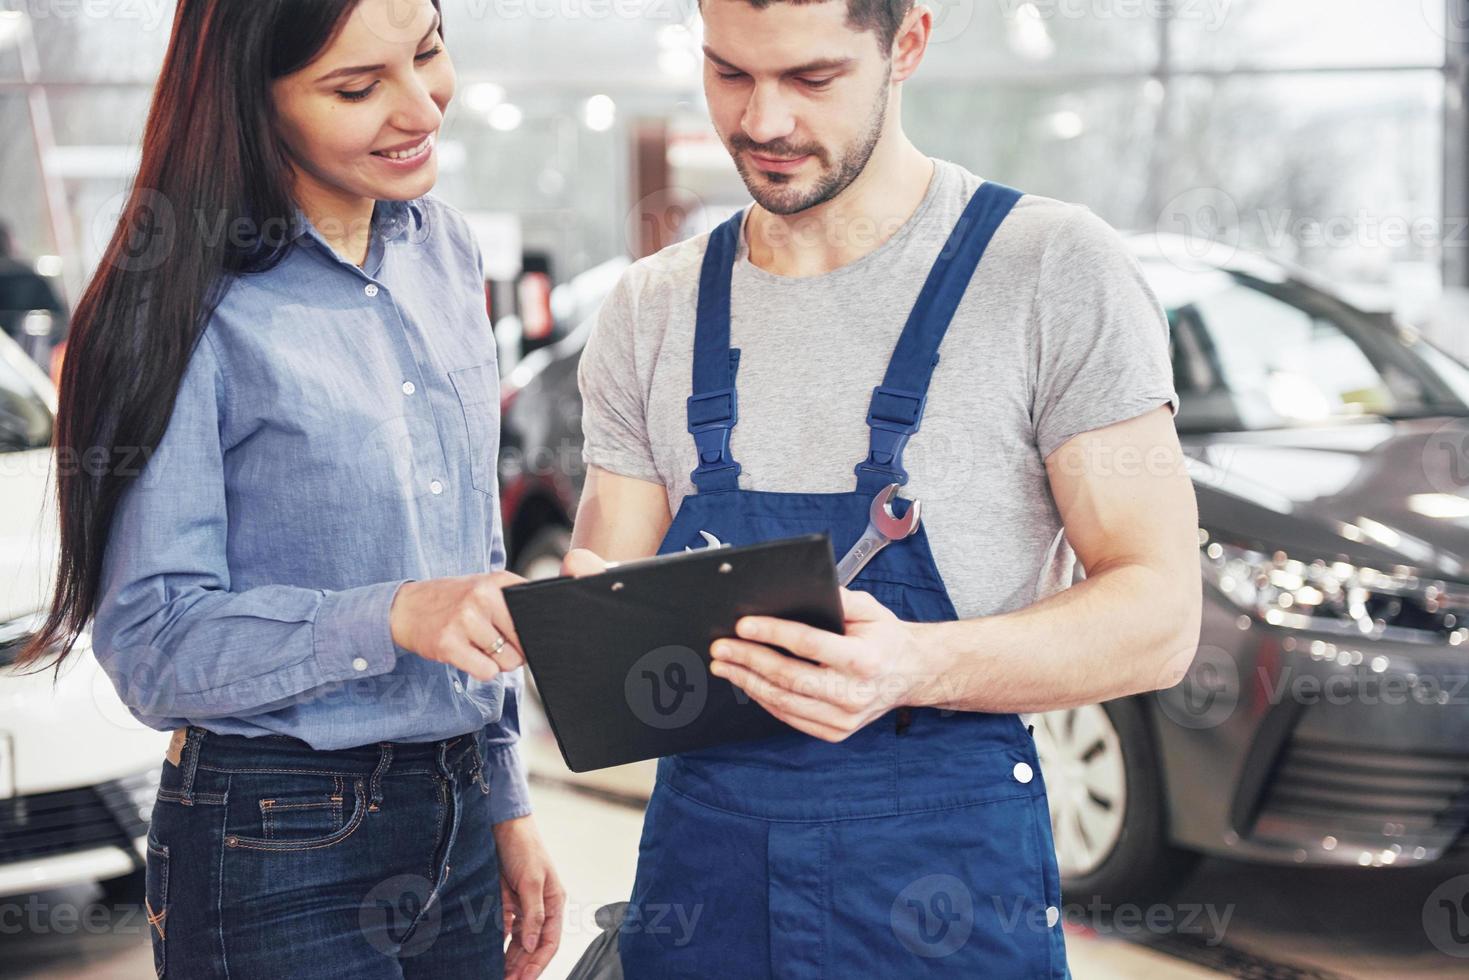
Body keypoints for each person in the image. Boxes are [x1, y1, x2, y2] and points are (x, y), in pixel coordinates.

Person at [564, 0, 1202, 975]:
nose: (763, 120)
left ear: (906, 44)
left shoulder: (1050, 271)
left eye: (811, 79)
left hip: (942, 894)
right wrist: (571, 624)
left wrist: (917, 664)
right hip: (703, 889)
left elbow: (1158, 616)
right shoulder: (651, 309)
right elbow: (604, 593)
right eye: (729, 72)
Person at [18, 2, 563, 977]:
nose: (420, 108)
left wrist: (506, 798)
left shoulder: (443, 250)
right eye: (356, 88)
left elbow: (474, 568)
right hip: (277, 839)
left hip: (459, 815)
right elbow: (151, 644)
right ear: (248, 104)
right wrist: (389, 615)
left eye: (428, 55)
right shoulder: (179, 303)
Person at [0, 220, 67, 366]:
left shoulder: (29, 277)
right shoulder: (30, 277)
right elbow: (61, 323)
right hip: (32, 367)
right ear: (8, 242)